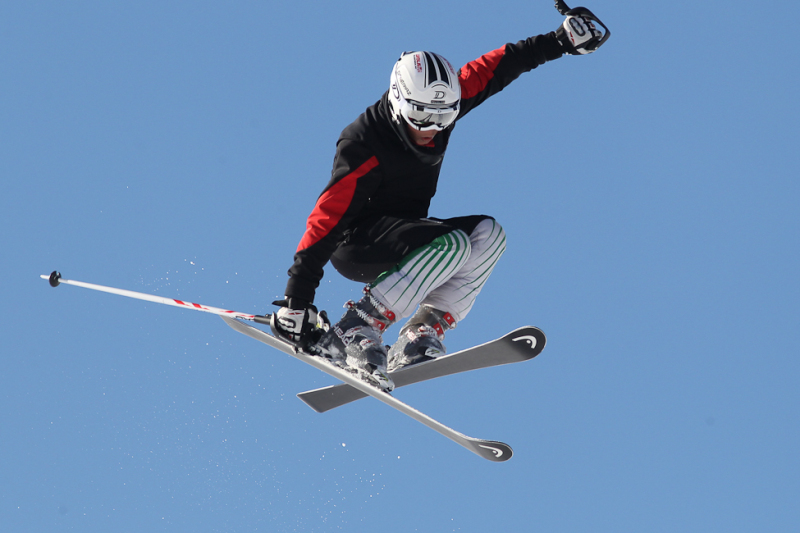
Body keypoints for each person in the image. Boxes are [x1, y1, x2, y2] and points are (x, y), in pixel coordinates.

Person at [273, 13, 607, 391]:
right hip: (357, 244)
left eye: (443, 117)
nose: (430, 128)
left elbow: (498, 66)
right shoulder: (365, 141)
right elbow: (328, 217)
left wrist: (559, 41)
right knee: (454, 244)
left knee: (488, 235)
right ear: (398, 100)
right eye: (420, 115)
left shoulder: (438, 111)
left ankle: (422, 330)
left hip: (408, 238)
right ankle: (356, 326)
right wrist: (297, 300)